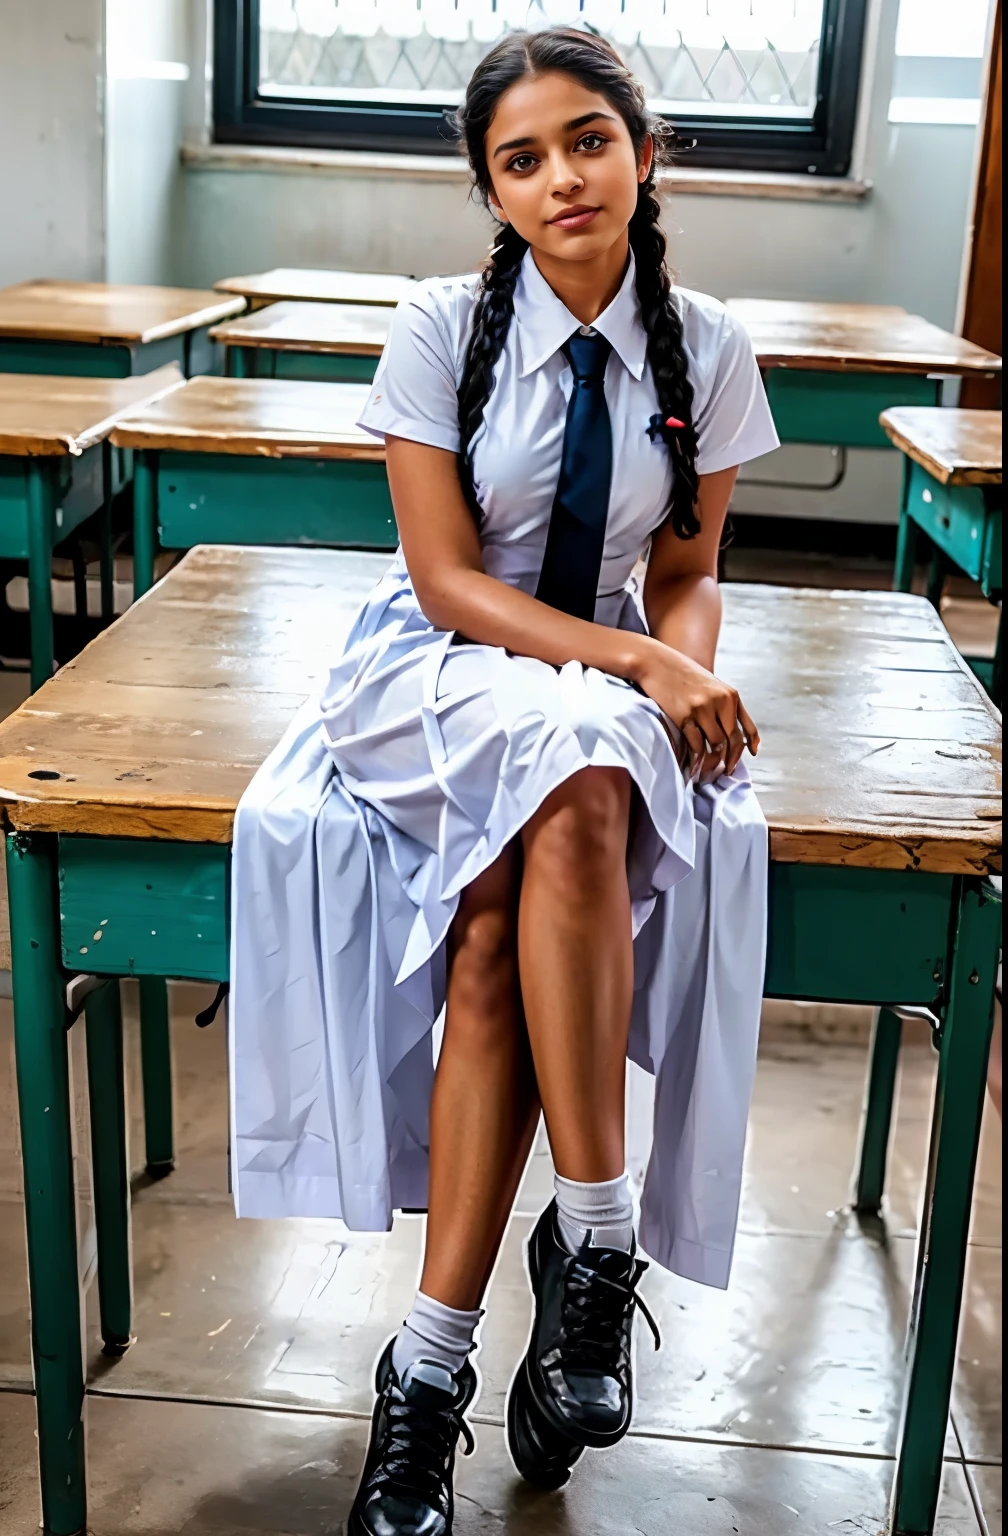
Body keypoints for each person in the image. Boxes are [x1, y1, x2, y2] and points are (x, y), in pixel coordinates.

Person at [229, 27, 779, 1536]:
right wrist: (644, 671)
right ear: (491, 188)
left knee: (501, 930)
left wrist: (679, 652)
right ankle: (598, 1239)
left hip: (587, 683)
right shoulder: (434, 325)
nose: (562, 177)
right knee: (581, 745)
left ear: (645, 152)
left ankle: (426, 1377)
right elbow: (448, 581)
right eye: (522, 158)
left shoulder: (710, 344)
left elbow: (686, 574)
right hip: (441, 670)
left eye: (588, 139)